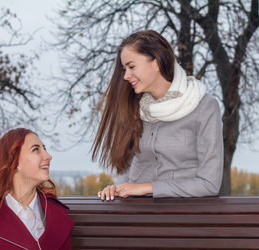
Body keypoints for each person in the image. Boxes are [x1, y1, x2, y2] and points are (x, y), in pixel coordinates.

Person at [93, 30, 223, 200]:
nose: (126, 76)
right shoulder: (134, 108)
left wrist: (148, 188)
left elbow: (209, 183)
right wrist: (118, 188)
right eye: (124, 69)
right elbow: (130, 169)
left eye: (131, 67)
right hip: (137, 212)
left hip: (183, 215)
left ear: (156, 62)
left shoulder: (204, 106)